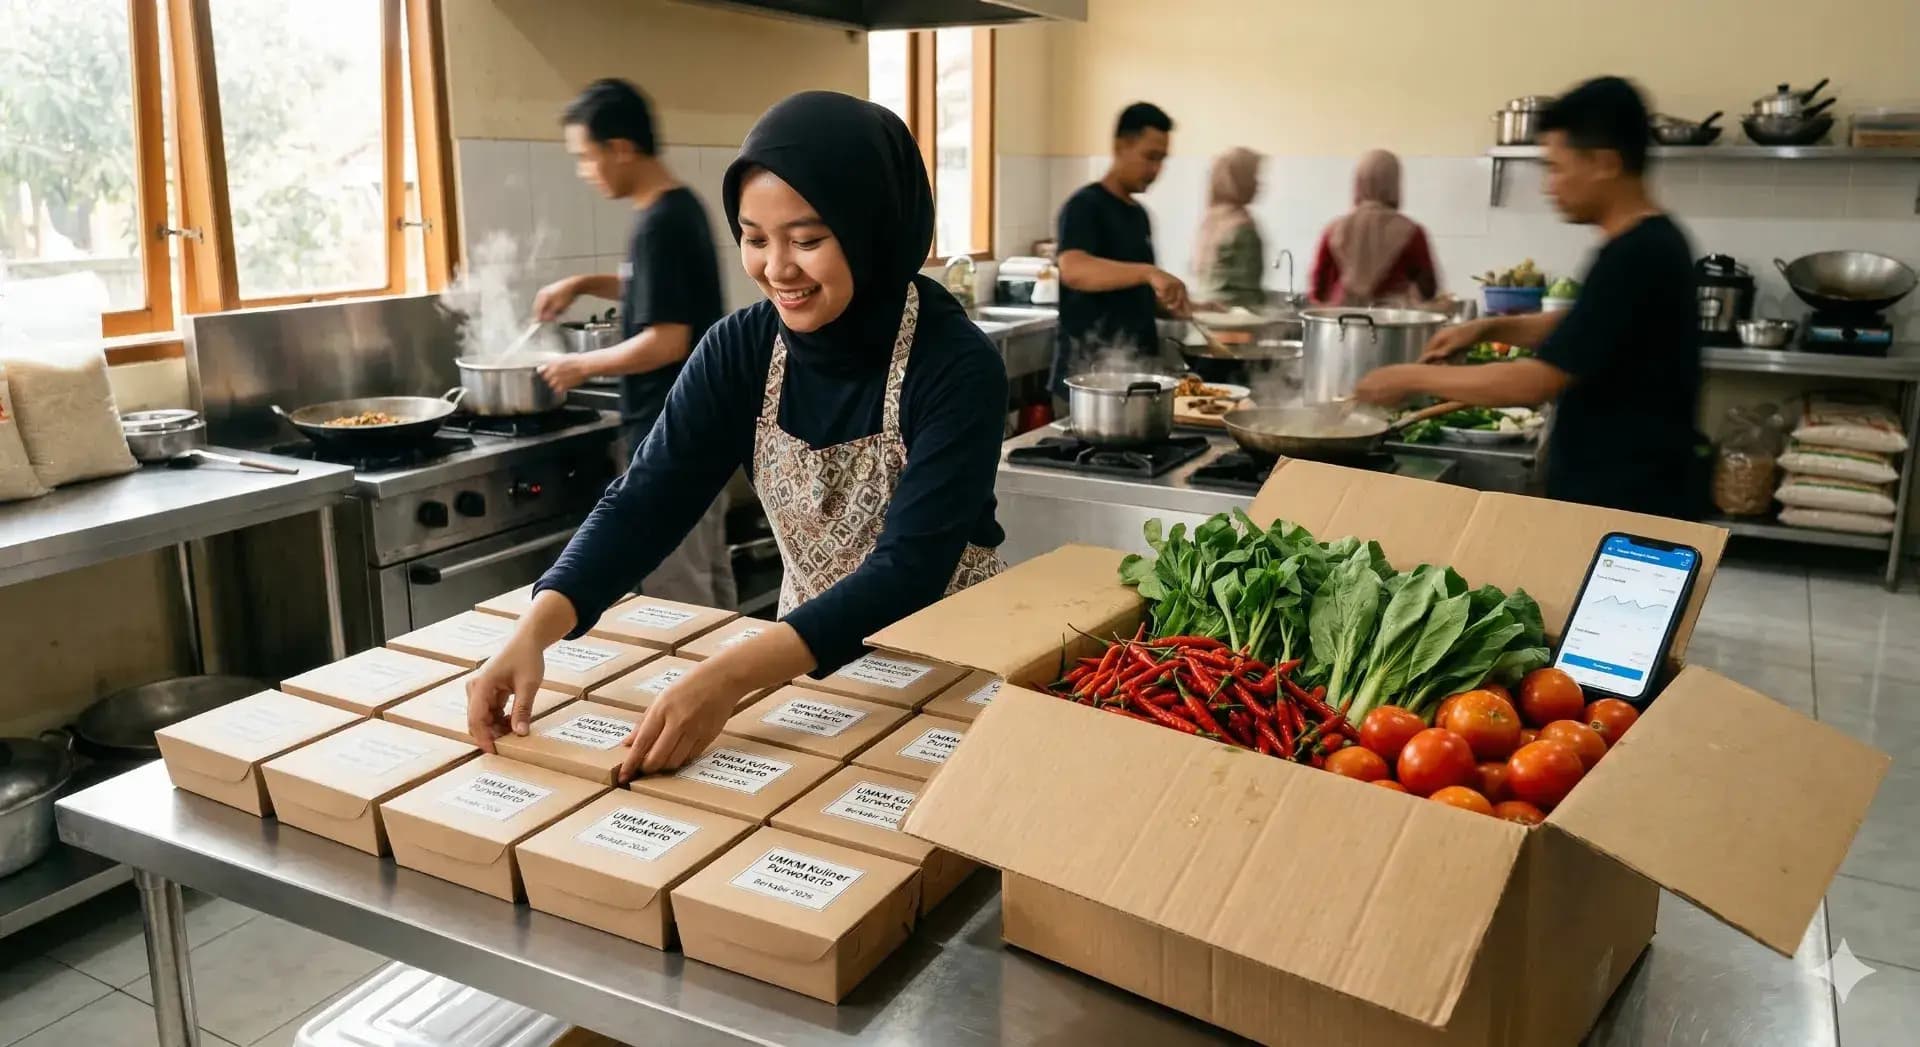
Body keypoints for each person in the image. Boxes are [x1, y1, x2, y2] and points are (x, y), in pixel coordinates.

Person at [467, 91, 1007, 777]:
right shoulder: (742, 350)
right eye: (755, 239)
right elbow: (645, 501)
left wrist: (726, 677)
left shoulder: (955, 363)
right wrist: (534, 628)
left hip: (950, 665)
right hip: (810, 667)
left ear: (873, 228)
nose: (777, 269)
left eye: (807, 240)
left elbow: (910, 570)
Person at [1354, 77, 1704, 519]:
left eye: (1556, 167)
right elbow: (1587, 328)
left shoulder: (1638, 253)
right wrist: (1490, 326)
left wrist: (1408, 378)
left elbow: (1536, 381)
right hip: (1623, 493)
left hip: (1628, 503)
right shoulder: (1647, 241)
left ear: (1604, 163)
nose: (1548, 186)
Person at [529, 79, 734, 608]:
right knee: (707, 578)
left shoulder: (660, 223)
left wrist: (578, 366)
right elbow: (656, 293)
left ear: (620, 148)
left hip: (670, 433)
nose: (584, 171)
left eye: (586, 157)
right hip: (701, 427)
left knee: (678, 595)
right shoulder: (676, 207)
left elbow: (667, 340)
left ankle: (697, 688)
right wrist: (579, 285)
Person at [1050, 102, 1188, 396]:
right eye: (1150, 157)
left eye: (1162, 159)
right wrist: (1149, 273)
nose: (1156, 169)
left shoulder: (1138, 215)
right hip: (1089, 381)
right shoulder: (1084, 206)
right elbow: (1074, 269)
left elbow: (1137, 295)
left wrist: (1180, 305)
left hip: (1136, 375)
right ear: (1120, 146)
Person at [1308, 149, 1438, 307]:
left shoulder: (1333, 231)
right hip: (1394, 325)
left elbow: (1318, 291)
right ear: (1395, 183)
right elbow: (1429, 289)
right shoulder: (1412, 233)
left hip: (1341, 325)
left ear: (1357, 182)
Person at [1191, 147, 1266, 309]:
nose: (1258, 183)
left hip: (1205, 319)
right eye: (1252, 176)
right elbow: (1245, 295)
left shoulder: (1211, 219)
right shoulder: (1241, 227)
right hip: (1232, 324)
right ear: (1238, 180)